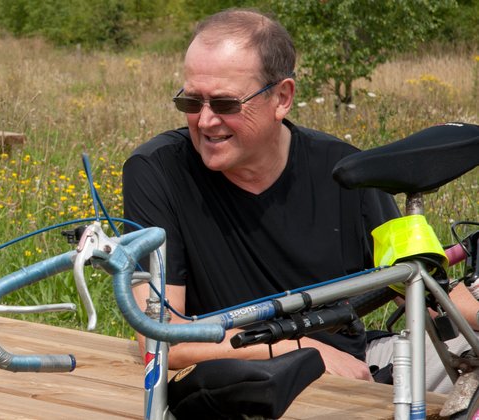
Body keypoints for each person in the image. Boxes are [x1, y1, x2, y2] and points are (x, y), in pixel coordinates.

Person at [121, 8, 477, 393]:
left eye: (225, 105)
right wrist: (303, 350)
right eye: (191, 103)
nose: (205, 121)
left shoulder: (348, 169)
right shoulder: (157, 171)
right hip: (242, 378)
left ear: (282, 97)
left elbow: (421, 290)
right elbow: (160, 338)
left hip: (358, 368)